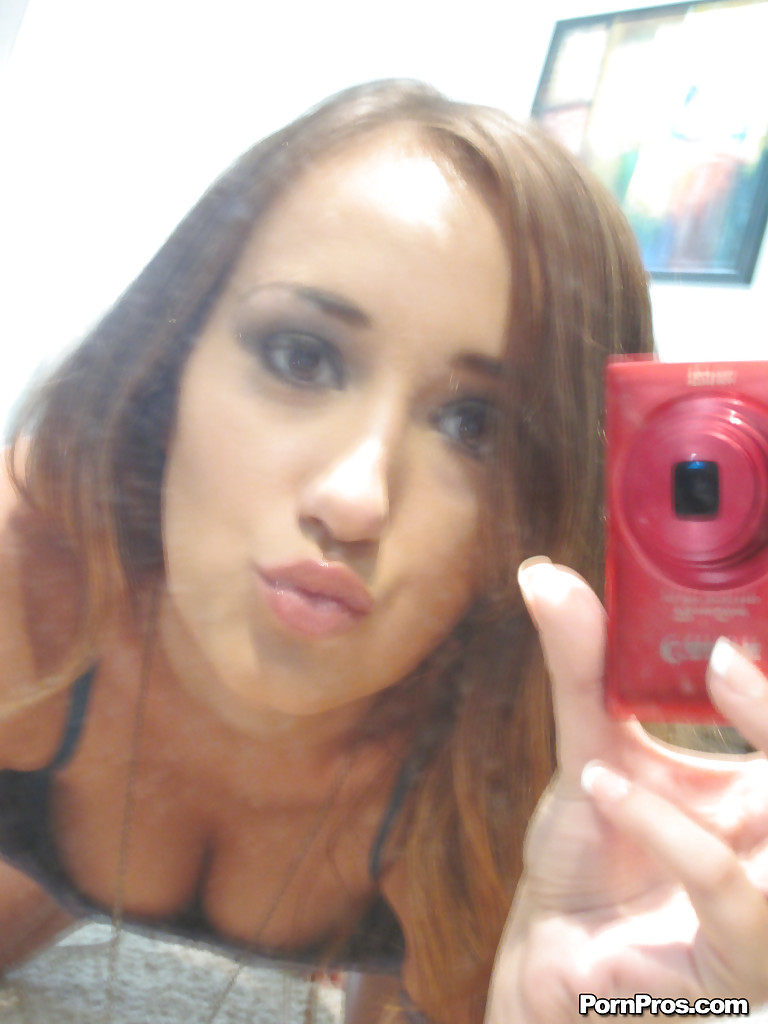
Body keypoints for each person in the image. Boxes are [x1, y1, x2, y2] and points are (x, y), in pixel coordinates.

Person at [0, 79, 765, 1024]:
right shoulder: (30, 563)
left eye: (476, 424)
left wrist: (646, 1015)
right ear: (171, 360)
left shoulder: (536, 773)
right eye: (301, 356)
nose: (354, 499)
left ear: (548, 498)